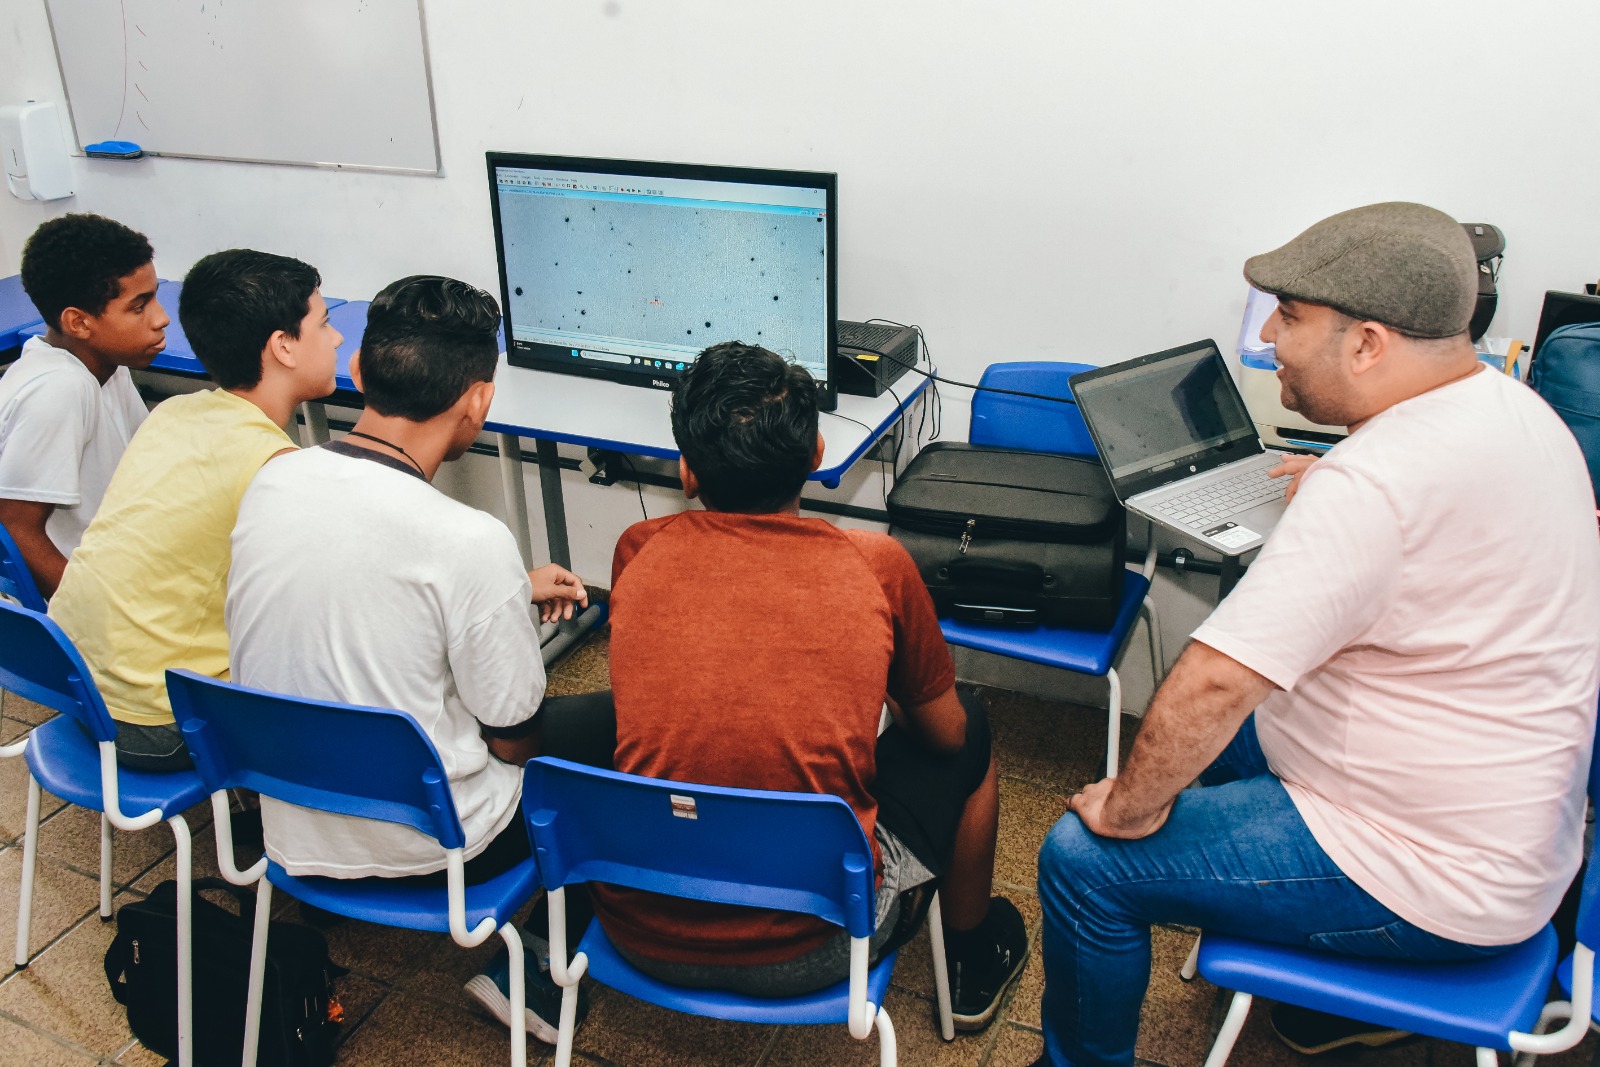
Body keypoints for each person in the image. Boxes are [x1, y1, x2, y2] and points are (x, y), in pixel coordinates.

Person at [1031, 202, 1600, 1066]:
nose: (1270, 336)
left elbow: (1219, 679)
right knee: (1205, 747)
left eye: (1290, 316)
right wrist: (1339, 477)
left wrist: (1127, 808)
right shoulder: (1519, 415)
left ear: (1369, 343)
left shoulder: (1373, 487)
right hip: (1512, 823)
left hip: (1432, 879)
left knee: (1083, 857)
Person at [588, 340, 1029, 1029]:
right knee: (971, 729)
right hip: (818, 943)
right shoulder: (876, 564)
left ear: (687, 470)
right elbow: (943, 734)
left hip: (636, 927)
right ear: (818, 453)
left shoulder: (638, 548)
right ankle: (974, 956)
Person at [224, 275, 595, 1043]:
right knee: (623, 736)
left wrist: (502, 595)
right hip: (444, 852)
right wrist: (494, 597)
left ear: (361, 368)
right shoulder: (470, 540)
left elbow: (361, 581)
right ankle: (537, 971)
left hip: (292, 832)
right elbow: (514, 738)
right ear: (479, 401)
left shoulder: (274, 477)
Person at [49, 248, 342, 770]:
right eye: (323, 324)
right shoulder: (276, 467)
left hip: (77, 687)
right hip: (158, 722)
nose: (338, 339)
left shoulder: (175, 412)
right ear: (284, 347)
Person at [0, 214, 166, 597]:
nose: (161, 318)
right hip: (81, 602)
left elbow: (143, 474)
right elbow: (14, 528)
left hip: (117, 575)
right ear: (78, 322)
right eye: (139, 306)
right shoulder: (61, 387)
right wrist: (97, 616)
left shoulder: (108, 365)